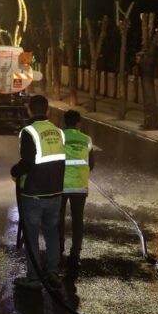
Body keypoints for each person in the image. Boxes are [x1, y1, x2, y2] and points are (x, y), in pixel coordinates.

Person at [10, 94, 67, 289]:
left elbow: (28, 162)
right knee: (52, 233)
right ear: (48, 111)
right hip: (56, 193)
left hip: (34, 193)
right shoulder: (59, 132)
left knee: (32, 235)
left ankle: (34, 277)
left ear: (29, 110)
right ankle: (52, 272)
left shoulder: (29, 132)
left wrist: (15, 171)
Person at [60, 110, 95, 278]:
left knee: (58, 218)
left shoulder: (60, 137)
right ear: (78, 123)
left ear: (64, 122)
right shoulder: (86, 139)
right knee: (77, 220)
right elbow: (92, 163)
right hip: (80, 186)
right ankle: (75, 253)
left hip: (60, 185)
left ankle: (59, 247)